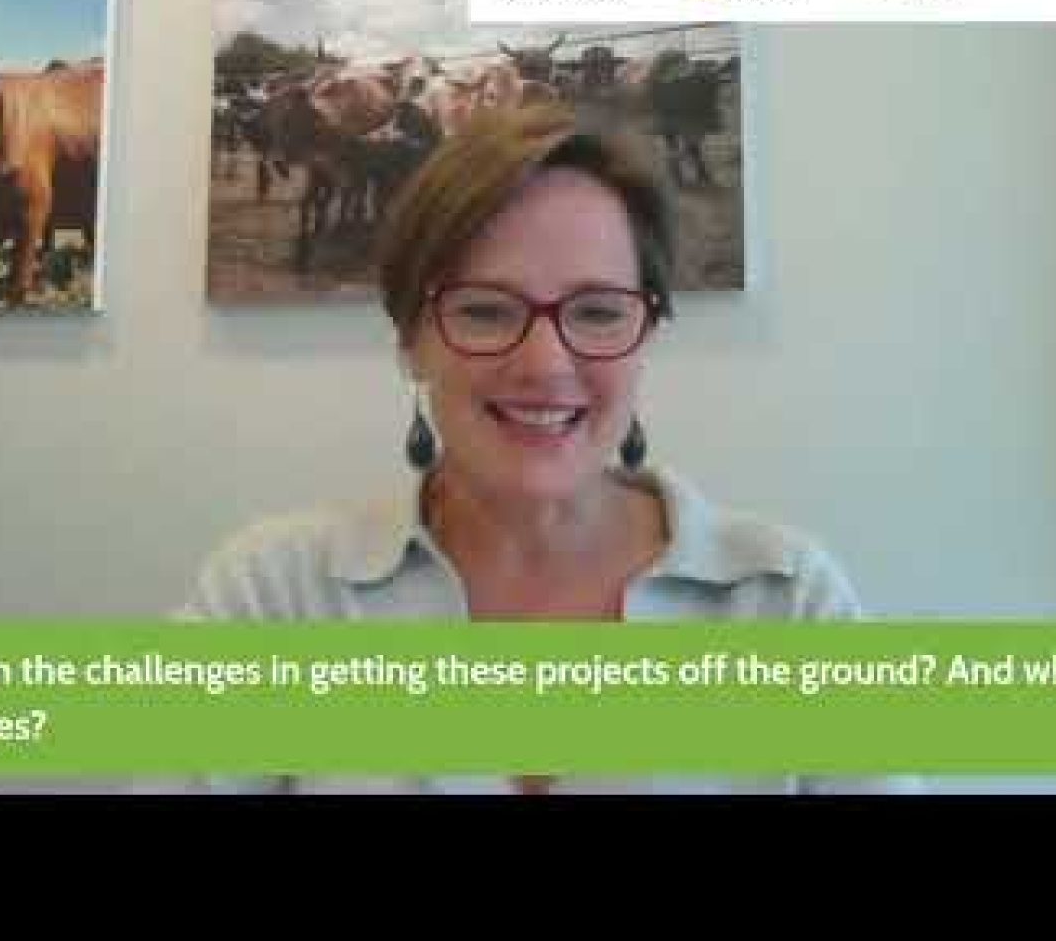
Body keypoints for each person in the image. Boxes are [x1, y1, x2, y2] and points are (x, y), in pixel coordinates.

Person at [157, 100, 919, 795]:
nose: (546, 364)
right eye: (486, 311)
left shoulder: (787, 602)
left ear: (646, 335)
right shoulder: (272, 596)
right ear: (411, 342)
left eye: (597, 311)